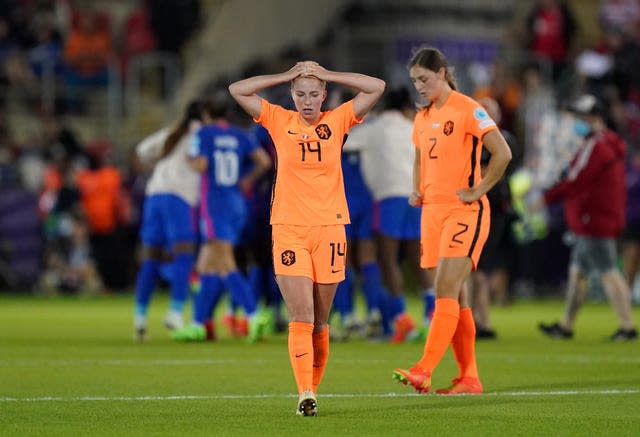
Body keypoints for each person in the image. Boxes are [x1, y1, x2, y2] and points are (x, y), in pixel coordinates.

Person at [229, 61, 385, 416]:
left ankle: (312, 387)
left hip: (330, 228)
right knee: (300, 314)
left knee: (320, 321)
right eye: (300, 94)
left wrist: (327, 73)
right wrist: (286, 75)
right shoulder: (279, 119)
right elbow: (237, 90)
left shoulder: (338, 119)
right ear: (292, 96)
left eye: (314, 94)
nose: (307, 101)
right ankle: (305, 394)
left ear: (324, 96)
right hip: (289, 228)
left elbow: (376, 85)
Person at [392, 47, 512, 395]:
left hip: (464, 212)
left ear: (442, 73)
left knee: (445, 288)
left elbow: (502, 153)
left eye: (424, 79)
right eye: (415, 81)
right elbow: (419, 158)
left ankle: (423, 369)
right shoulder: (423, 116)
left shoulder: (467, 108)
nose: (419, 86)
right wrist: (417, 190)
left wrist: (479, 189)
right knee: (456, 298)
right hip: (433, 213)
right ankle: (469, 378)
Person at [170, 95, 272, 343]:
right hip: (237, 203)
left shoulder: (204, 134)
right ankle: (197, 324)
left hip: (215, 204)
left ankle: (253, 314)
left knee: (225, 263)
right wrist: (247, 180)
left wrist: (189, 160)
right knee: (206, 265)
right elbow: (264, 161)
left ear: (206, 114)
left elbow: (203, 165)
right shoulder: (240, 135)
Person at [537, 94, 637, 341]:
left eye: (581, 117)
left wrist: (545, 198)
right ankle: (565, 325)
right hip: (599, 216)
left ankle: (628, 326)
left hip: (594, 219)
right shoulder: (609, 143)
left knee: (608, 271)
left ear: (594, 118)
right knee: (578, 273)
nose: (576, 123)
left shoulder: (596, 145)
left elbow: (575, 181)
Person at [132, 99, 203, 342]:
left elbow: (142, 150)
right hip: (179, 198)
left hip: (155, 196)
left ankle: (140, 319)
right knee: (184, 255)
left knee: (151, 258)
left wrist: (157, 167)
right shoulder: (202, 134)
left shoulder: (171, 132)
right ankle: (175, 311)